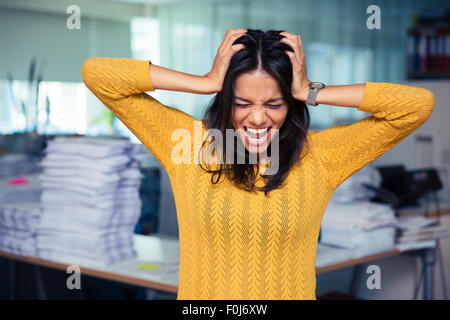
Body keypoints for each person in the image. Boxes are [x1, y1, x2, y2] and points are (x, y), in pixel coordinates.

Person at [82, 28, 435, 300]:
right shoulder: (188, 144)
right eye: (242, 102)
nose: (257, 118)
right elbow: (97, 74)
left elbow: (416, 105)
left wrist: (311, 90)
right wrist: (204, 82)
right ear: (225, 99)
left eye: (274, 103)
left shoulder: (320, 155)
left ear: (292, 103)